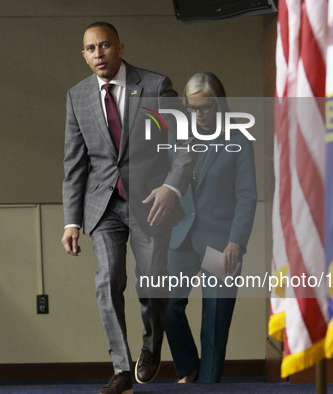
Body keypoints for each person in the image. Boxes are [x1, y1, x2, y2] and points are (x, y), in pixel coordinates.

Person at [61, 22, 195, 394]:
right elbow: (74, 166)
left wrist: (172, 187)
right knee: (108, 280)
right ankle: (121, 368)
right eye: (90, 48)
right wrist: (71, 221)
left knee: (150, 281)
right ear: (84, 55)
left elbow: (187, 141)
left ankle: (151, 348)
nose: (98, 53)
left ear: (120, 47)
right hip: (103, 205)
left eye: (105, 45)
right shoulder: (77, 97)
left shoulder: (154, 85)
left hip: (152, 202)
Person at [165, 72, 257, 383]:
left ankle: (208, 387)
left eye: (205, 107)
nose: (199, 114)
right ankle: (190, 367)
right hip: (181, 237)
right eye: (193, 108)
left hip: (221, 243)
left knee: (215, 322)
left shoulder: (239, 140)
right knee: (165, 305)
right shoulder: (175, 138)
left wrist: (236, 243)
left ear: (218, 105)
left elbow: (247, 197)